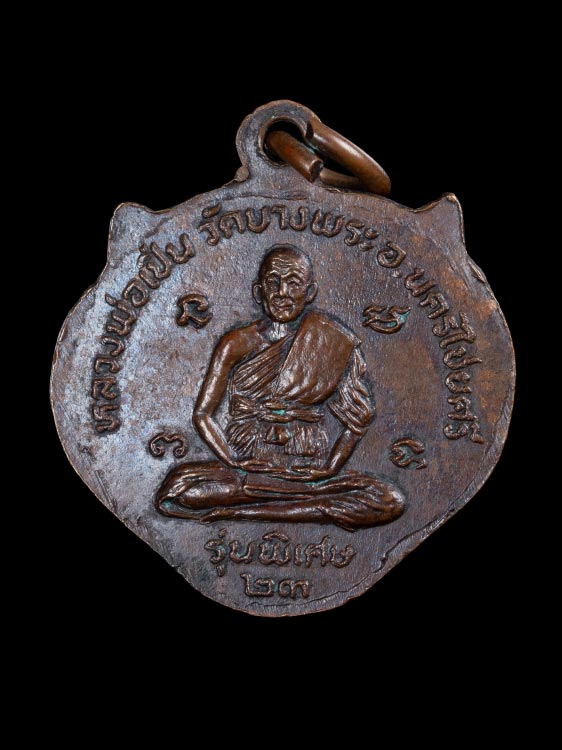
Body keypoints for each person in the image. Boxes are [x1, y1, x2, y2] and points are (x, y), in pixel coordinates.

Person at [156, 244, 404, 531]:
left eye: (294, 283)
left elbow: (358, 420)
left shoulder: (333, 341)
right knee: (182, 490)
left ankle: (247, 512)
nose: (282, 292)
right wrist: (233, 459)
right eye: (273, 282)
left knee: (389, 499)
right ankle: (298, 506)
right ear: (258, 292)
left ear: (309, 293)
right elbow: (202, 414)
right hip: (246, 468)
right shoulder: (236, 343)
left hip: (306, 469)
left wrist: (330, 468)